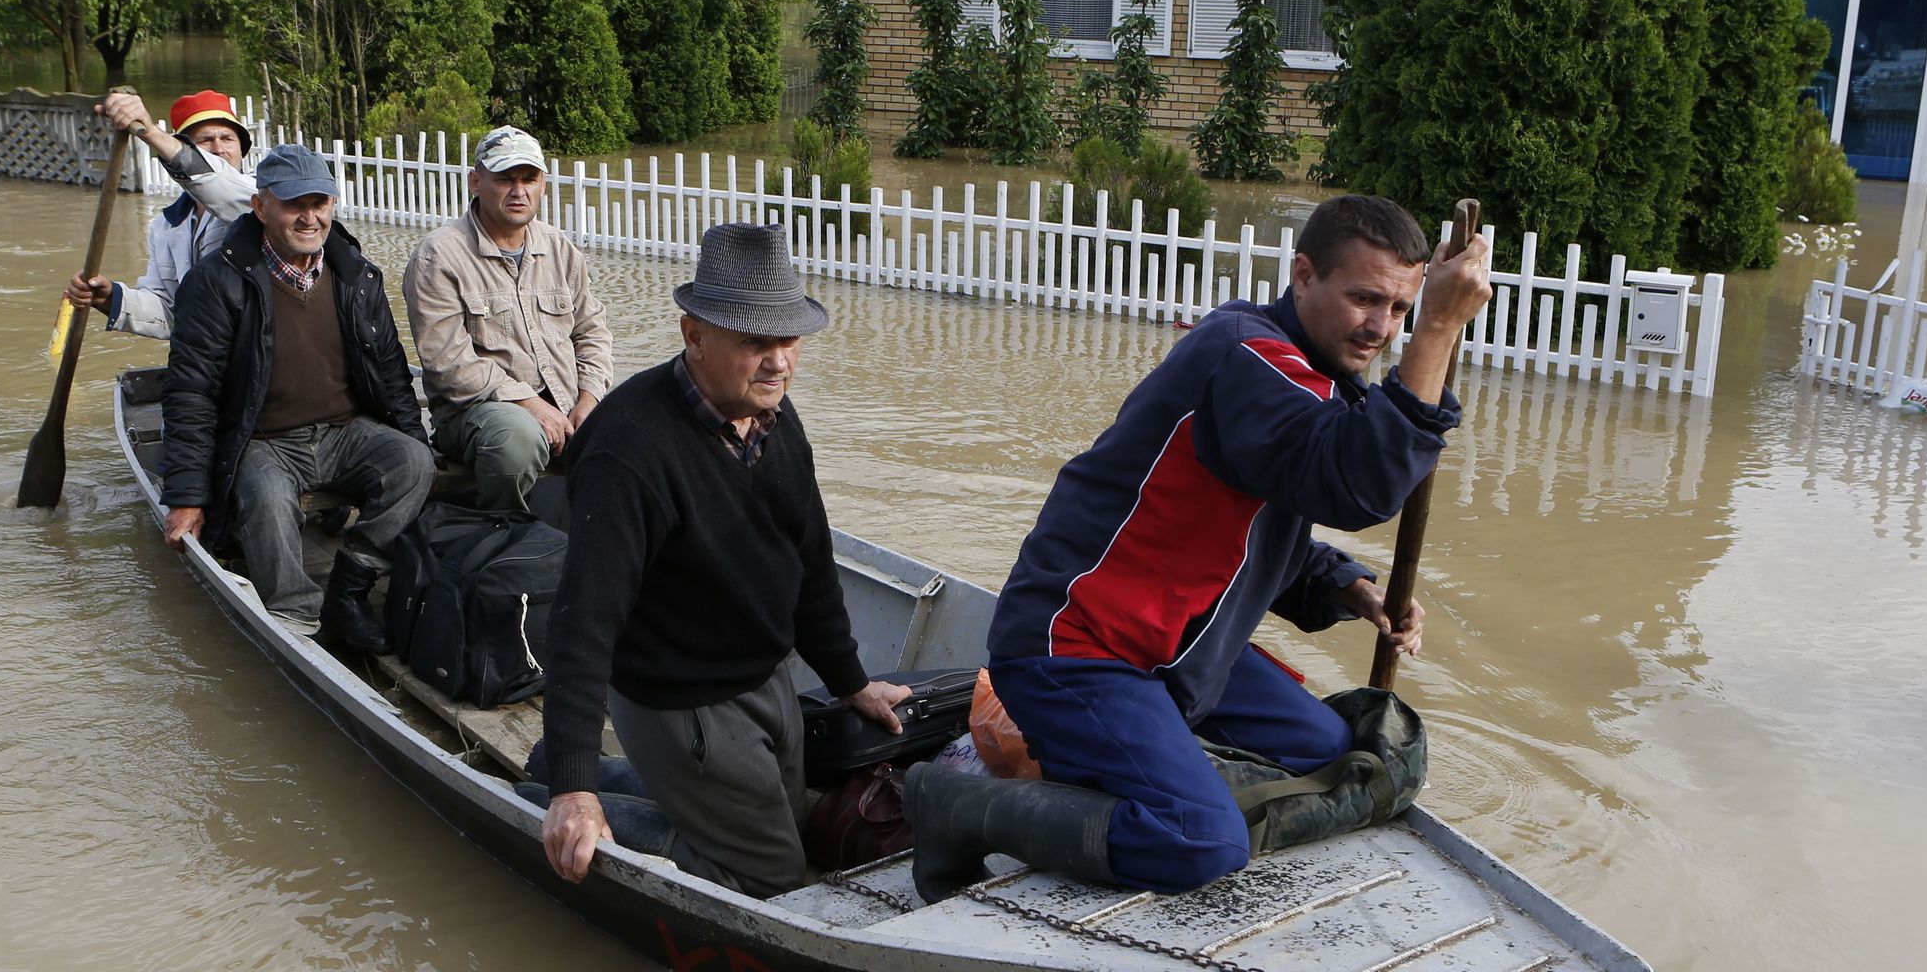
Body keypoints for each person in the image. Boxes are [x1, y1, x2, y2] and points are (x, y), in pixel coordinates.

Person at [903, 194, 1493, 902]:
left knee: (1331, 753)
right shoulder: (1249, 357)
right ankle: (954, 804)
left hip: (1182, 643)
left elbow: (1255, 525)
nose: (1381, 327)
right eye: (1365, 298)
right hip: (1080, 648)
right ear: (1303, 275)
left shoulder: (1310, 373)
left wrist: (1345, 586)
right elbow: (1359, 487)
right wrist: (1435, 329)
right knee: (1205, 841)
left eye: (1399, 308)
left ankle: (1136, 767)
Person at [532, 223, 910, 897]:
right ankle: (583, 797)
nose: (779, 362)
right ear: (694, 335)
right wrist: (571, 783)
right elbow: (582, 622)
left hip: (766, 678)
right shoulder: (630, 449)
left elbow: (813, 563)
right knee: (769, 876)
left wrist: (851, 680)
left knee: (796, 826)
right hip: (681, 698)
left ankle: (635, 785)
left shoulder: (775, 420)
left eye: (788, 340)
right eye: (755, 343)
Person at [158, 144, 434, 648]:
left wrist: (420, 449)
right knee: (265, 496)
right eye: (293, 204)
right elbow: (191, 395)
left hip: (345, 431)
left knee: (414, 462)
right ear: (260, 208)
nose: (309, 217)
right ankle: (296, 615)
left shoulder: (357, 275)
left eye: (319, 203)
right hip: (263, 439)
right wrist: (186, 497)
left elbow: (391, 372)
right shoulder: (215, 283)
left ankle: (350, 589)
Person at [403, 125, 613, 513]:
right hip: (476, 411)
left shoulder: (559, 248)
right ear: (476, 181)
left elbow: (592, 331)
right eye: (505, 179)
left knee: (628, 428)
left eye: (528, 179)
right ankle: (503, 535)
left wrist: (589, 399)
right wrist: (530, 403)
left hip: (564, 399)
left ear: (543, 184)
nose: (519, 191)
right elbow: (448, 363)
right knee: (516, 439)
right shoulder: (439, 256)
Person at [63, 89, 259, 339]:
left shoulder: (260, 200)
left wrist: (151, 132)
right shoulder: (166, 226)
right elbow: (170, 312)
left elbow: (218, 186)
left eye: (227, 138)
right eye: (205, 140)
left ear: (242, 150)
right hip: (206, 357)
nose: (219, 148)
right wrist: (111, 298)